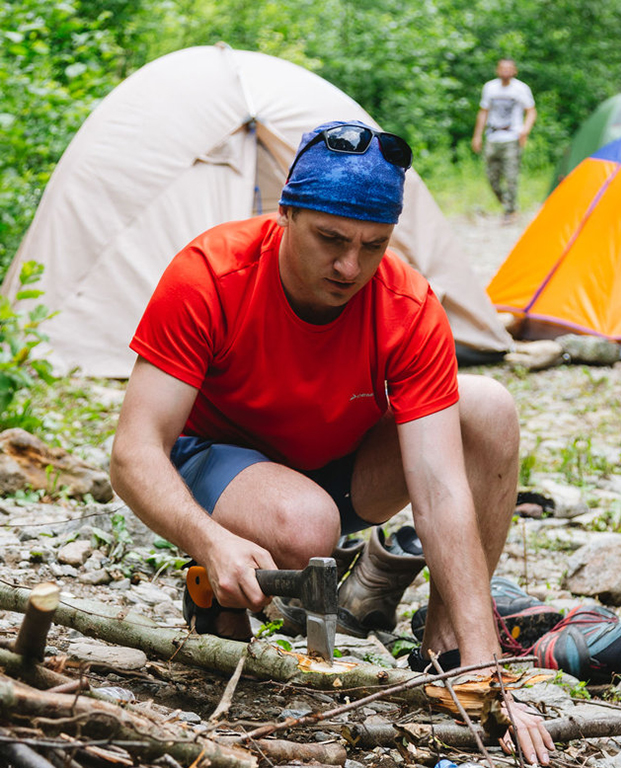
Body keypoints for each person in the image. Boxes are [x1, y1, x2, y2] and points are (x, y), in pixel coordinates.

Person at [109, 120, 554, 765]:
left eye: (373, 246)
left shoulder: (405, 304)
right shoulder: (211, 273)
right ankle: (214, 584)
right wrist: (210, 540)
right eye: (330, 240)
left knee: (486, 408)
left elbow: (439, 488)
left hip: (335, 465)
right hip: (215, 462)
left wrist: (485, 667)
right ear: (284, 213)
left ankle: (447, 652)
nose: (350, 266)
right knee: (306, 524)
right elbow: (133, 451)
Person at [471, 58, 536, 224]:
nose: (505, 71)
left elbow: (531, 111)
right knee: (492, 177)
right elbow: (483, 111)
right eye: (502, 68)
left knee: (511, 176)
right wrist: (477, 135)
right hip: (493, 137)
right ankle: (507, 204)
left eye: (509, 68)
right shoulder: (490, 87)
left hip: (512, 137)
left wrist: (525, 131)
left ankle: (510, 211)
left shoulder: (520, 88)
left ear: (515, 71)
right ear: (497, 70)